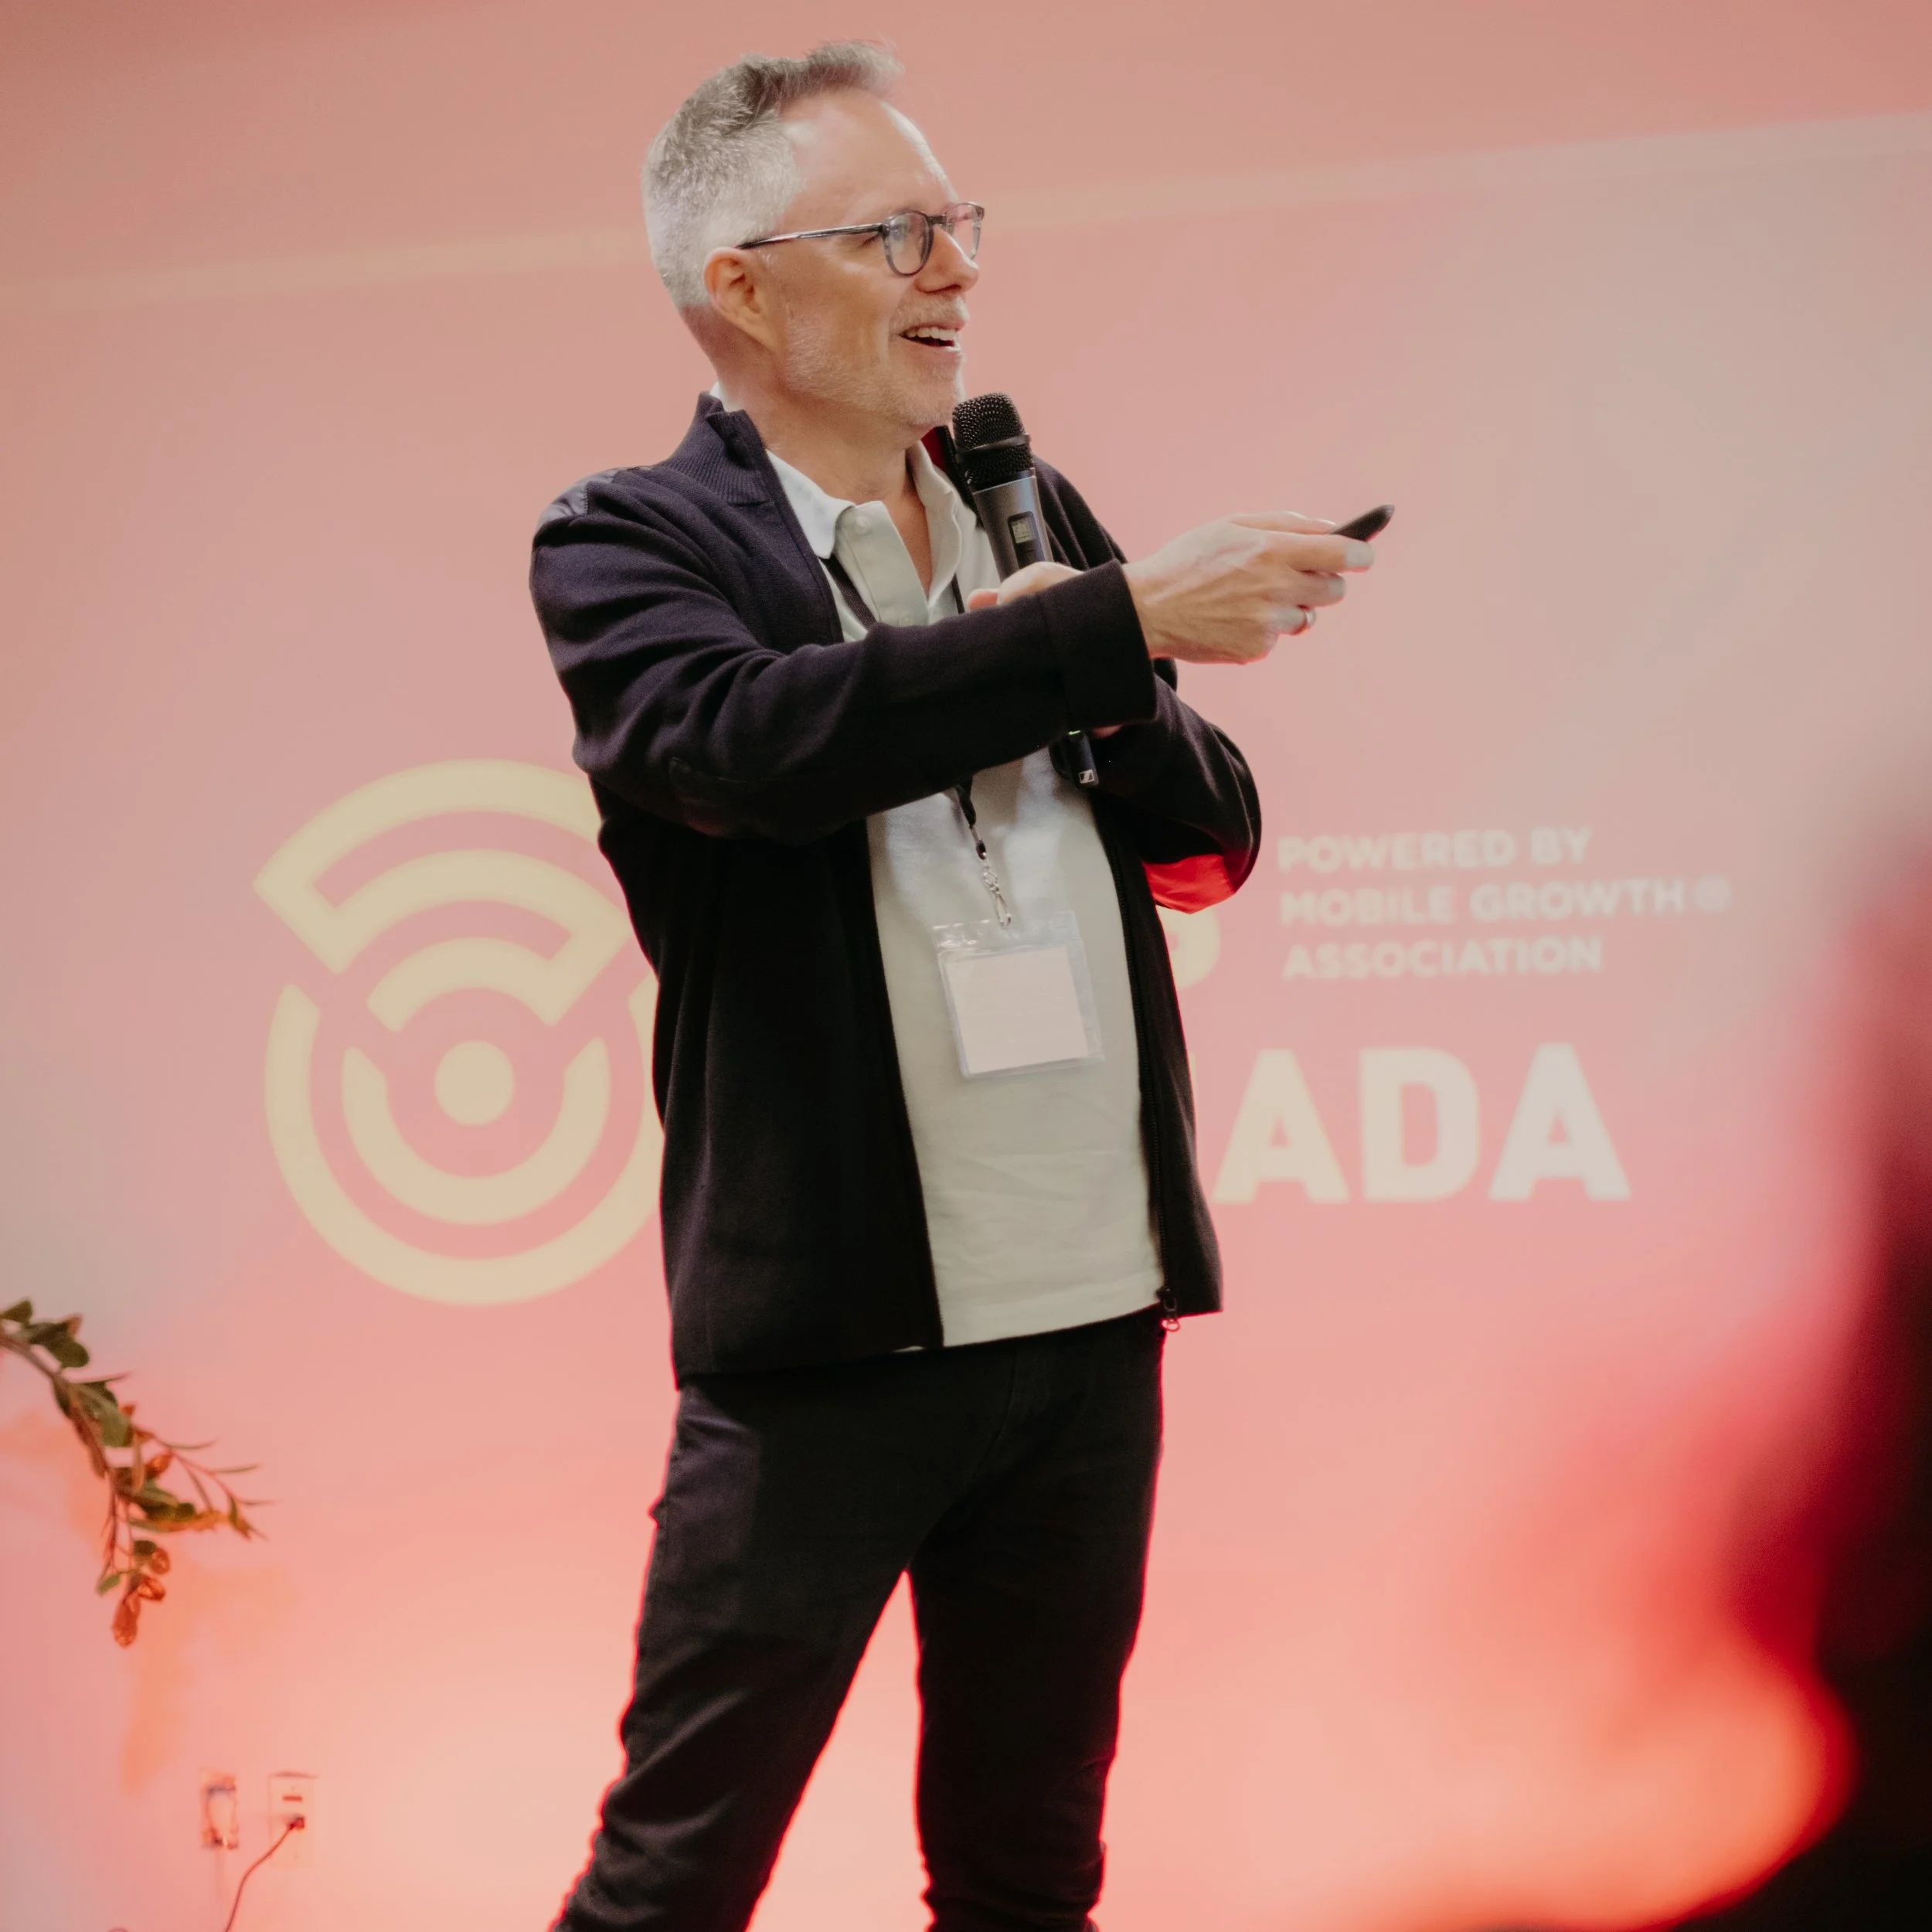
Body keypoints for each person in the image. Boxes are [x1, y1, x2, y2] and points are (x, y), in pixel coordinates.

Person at [529, 40, 1375, 1932]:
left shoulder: (1019, 502)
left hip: (1085, 1315)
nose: (953, 273)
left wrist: (1090, 656)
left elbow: (1203, 846)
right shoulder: (631, 539)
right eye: (897, 231)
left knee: (1026, 1873)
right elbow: (746, 746)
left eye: (956, 227)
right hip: (831, 1345)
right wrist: (1113, 619)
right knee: (676, 1874)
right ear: (738, 286)